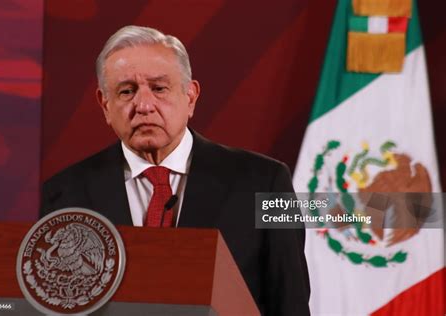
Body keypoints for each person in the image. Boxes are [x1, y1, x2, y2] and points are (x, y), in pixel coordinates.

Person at [40, 25, 310, 315]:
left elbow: (290, 303)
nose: (143, 105)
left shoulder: (268, 182)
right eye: (126, 91)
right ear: (105, 105)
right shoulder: (61, 195)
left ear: (190, 96)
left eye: (159, 88)